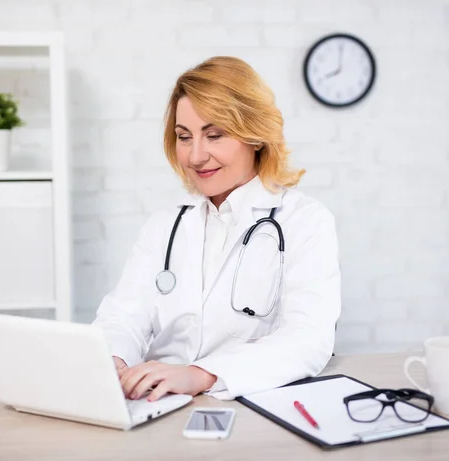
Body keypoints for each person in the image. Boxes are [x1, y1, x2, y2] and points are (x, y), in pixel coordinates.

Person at [93, 56, 341, 402]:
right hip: (157, 404)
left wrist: (201, 375)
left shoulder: (305, 221)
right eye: (184, 137)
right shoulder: (166, 225)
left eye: (214, 135)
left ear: (255, 136)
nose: (195, 156)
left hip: (250, 405)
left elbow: (309, 339)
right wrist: (114, 361)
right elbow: (122, 316)